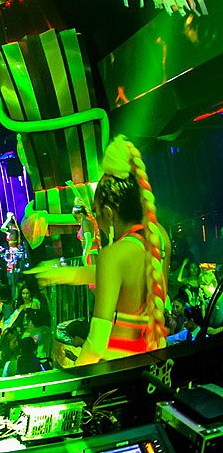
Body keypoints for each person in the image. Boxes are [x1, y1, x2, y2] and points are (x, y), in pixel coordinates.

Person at [61, 137, 170, 364]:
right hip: (155, 360)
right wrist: (67, 275)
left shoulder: (112, 256)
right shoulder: (160, 238)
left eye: (97, 213)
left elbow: (96, 345)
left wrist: (76, 376)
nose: (97, 221)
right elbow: (128, 276)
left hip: (119, 369)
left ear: (109, 214)